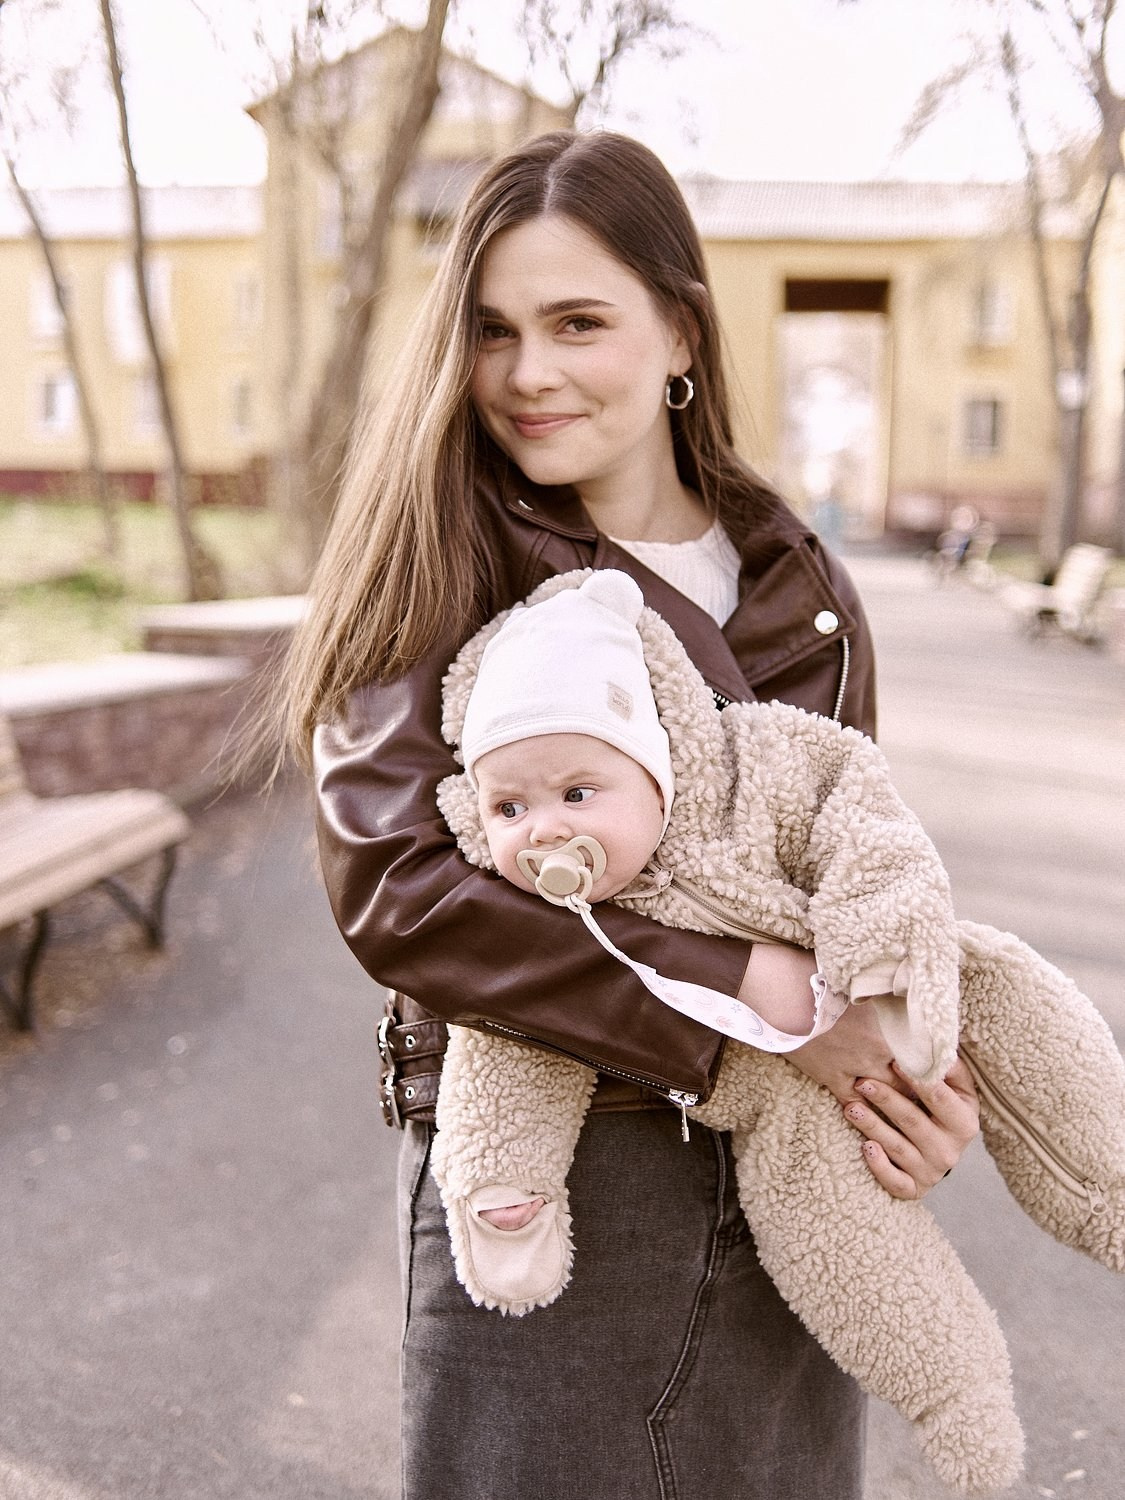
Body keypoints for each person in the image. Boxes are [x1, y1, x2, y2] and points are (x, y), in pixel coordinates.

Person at [281, 130, 982, 1499]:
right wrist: (748, 1004)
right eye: (491, 331)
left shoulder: (799, 576)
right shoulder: (443, 549)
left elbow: (857, 860)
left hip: (792, 1189)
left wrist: (917, 1073)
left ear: (680, 333)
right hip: (552, 1184)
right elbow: (399, 894)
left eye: (576, 323)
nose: (527, 374)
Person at [430, 566, 1125, 1494]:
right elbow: (502, 1051)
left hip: (881, 974)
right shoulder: (542, 927)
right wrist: (504, 1190)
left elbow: (870, 828)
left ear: (654, 759)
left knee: (1009, 996)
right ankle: (953, 1390)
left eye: (577, 792)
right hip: (761, 1093)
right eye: (507, 809)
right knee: (834, 1226)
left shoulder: (759, 770)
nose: (544, 832)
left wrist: (881, 963)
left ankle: (1106, 1189)